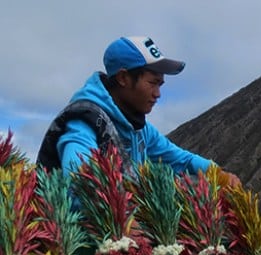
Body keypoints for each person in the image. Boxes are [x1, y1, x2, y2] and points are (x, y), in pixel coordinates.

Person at [37, 35, 239, 185]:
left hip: (124, 228)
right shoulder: (84, 123)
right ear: (123, 78)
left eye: (161, 85)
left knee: (194, 183)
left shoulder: (139, 128)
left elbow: (181, 159)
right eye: (153, 83)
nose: (158, 94)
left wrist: (219, 175)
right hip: (86, 235)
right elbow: (79, 181)